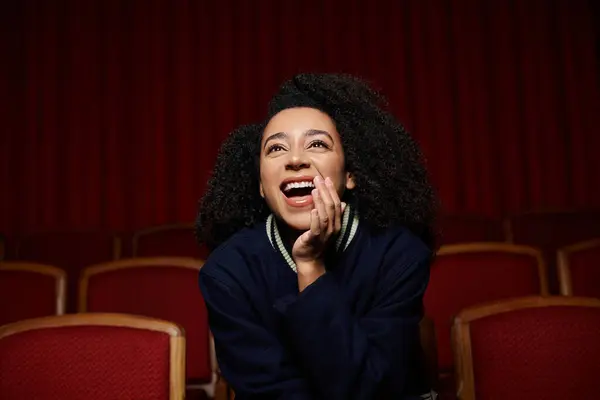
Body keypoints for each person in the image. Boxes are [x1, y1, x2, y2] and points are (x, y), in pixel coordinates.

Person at [196, 73, 438, 399]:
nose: (295, 160)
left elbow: (370, 390)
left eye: (317, 144)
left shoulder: (400, 254)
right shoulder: (227, 273)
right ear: (260, 186)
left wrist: (311, 269)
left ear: (351, 175)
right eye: (277, 148)